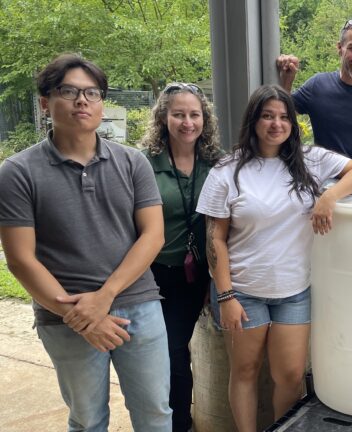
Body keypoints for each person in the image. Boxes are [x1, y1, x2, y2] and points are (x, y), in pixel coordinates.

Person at [0, 54, 171, 430]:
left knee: (156, 414)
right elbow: (21, 260)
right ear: (45, 102)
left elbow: (153, 235)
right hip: (65, 316)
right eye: (69, 91)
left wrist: (105, 297)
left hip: (138, 305)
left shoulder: (133, 162)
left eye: (92, 93)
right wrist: (81, 318)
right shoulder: (17, 172)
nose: (82, 101)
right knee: (88, 419)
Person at [196, 85, 352, 430]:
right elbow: (214, 239)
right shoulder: (227, 170)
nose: (276, 124)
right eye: (267, 116)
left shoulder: (311, 160)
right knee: (244, 372)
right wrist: (226, 295)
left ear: (293, 123)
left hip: (294, 290)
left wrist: (329, 196)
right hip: (242, 291)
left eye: (283, 117)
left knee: (290, 375)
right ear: (253, 121)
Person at [141, 82, 223, 431]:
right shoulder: (143, 162)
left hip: (194, 276)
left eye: (194, 114)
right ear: (163, 118)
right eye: (178, 114)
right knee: (158, 353)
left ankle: (178, 421)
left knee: (174, 350)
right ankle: (168, 420)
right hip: (151, 273)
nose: (187, 122)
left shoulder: (216, 163)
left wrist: (215, 281)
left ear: (204, 119)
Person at [276, 19, 352, 172]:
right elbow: (282, 116)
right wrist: (286, 80)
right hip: (327, 178)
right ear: (340, 48)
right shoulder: (317, 86)